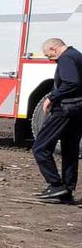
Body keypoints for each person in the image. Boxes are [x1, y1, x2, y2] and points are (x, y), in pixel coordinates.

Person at [31, 38, 82, 204]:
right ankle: (67, 191)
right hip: (77, 108)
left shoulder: (66, 58)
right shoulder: (77, 55)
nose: (50, 60)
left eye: (49, 55)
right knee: (69, 150)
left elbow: (71, 82)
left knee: (40, 147)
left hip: (64, 109)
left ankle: (55, 185)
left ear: (54, 48)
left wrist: (51, 97)